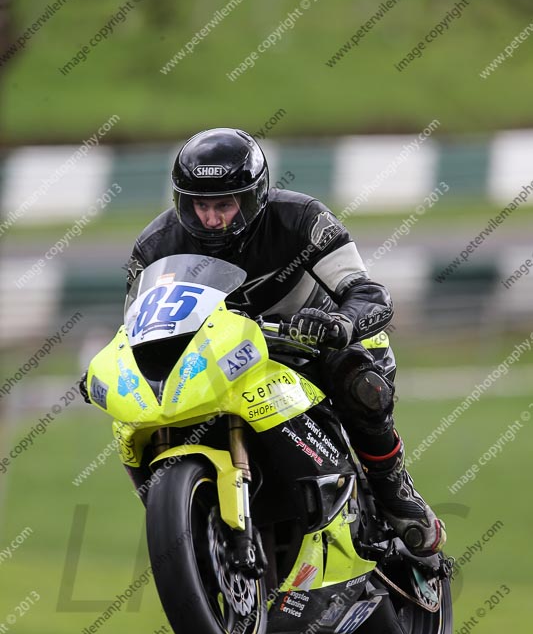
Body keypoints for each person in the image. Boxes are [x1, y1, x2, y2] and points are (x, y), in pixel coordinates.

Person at [124, 127, 445, 557]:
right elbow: (137, 326)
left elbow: (369, 293)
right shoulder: (154, 248)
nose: (212, 219)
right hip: (221, 359)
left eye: (224, 205)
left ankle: (395, 493)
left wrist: (339, 324)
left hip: (309, 345)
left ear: (254, 196)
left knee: (359, 383)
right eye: (200, 206)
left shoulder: (302, 220)